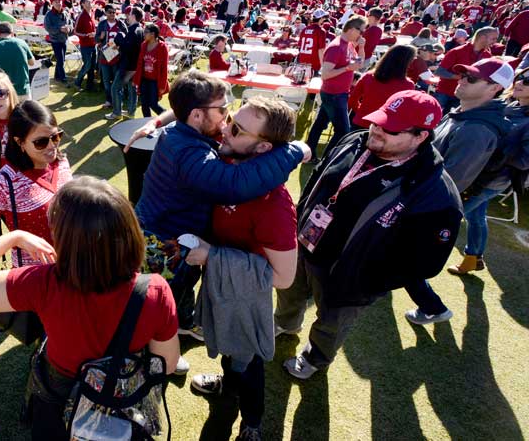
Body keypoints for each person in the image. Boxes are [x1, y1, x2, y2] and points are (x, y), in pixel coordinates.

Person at [0, 175, 179, 440]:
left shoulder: (43, 283)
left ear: (66, 239)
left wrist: (11, 237)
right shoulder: (154, 290)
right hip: (123, 408)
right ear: (129, 230)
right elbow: (167, 364)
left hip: (58, 401)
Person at [276, 90, 463, 379]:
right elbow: (318, 181)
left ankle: (316, 358)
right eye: (378, 120)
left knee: (332, 322)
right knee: (289, 292)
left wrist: (369, 280)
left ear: (420, 137)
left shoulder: (436, 193)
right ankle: (287, 323)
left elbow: (425, 262)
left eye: (389, 128)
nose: (376, 129)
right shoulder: (354, 141)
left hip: (351, 275)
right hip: (304, 245)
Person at [131, 71, 309, 373]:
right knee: (159, 301)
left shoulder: (190, 130)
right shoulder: (188, 152)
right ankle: (154, 356)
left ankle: (182, 322)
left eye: (233, 121)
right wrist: (294, 150)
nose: (226, 124)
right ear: (198, 115)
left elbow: (188, 108)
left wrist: (159, 119)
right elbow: (235, 184)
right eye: (224, 112)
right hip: (164, 243)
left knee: (182, 287)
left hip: (178, 237)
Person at [187, 98, 299, 440]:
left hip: (248, 298)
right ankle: (227, 385)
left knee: (248, 362)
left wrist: (212, 257)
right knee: (228, 347)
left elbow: (284, 277)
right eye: (230, 119)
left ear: (264, 146)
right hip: (223, 285)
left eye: (236, 129)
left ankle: (252, 422)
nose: (223, 129)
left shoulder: (274, 205)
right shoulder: (229, 165)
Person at [403, 58, 513, 324]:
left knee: (407, 258)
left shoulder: (477, 129)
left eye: (472, 79)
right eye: (464, 75)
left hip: (427, 203)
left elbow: (451, 181)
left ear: (494, 88)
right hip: (421, 195)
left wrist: (406, 201)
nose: (462, 80)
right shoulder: (462, 114)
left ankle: (433, 307)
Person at [0, 101, 72, 265]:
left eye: (56, 137)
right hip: (34, 279)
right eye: (41, 142)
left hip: (75, 268)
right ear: (20, 142)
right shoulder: (3, 184)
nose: (52, 146)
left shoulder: (61, 163)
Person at [446, 66, 529, 276]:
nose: (519, 82)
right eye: (520, 78)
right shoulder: (510, 106)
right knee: (475, 217)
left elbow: (525, 160)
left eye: (526, 81)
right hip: (480, 174)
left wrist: (498, 154)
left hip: (493, 180)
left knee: (448, 216)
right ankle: (474, 258)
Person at [305, 15, 367, 161]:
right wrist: (346, 68)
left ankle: (310, 154)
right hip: (334, 94)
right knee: (343, 131)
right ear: (352, 29)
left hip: (338, 93)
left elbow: (360, 63)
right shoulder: (336, 47)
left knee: (320, 123)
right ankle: (328, 161)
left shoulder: (349, 45)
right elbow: (325, 74)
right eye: (361, 31)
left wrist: (362, 47)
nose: (362, 35)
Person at [349, 44, 417, 129]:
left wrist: (361, 111)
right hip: (384, 127)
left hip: (361, 121)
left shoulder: (368, 76)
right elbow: (404, 111)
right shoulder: (408, 85)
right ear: (406, 62)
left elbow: (352, 100)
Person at [433, 26, 497, 113]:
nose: (495, 42)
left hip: (464, 95)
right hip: (444, 92)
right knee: (432, 117)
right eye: (493, 39)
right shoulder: (457, 51)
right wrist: (458, 77)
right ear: (482, 37)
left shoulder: (487, 56)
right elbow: (439, 71)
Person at [106, 6, 143, 120]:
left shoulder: (134, 30)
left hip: (127, 66)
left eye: (129, 14)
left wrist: (120, 39)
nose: (127, 16)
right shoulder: (139, 29)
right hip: (134, 66)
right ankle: (131, 112)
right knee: (132, 90)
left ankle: (117, 112)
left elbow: (128, 48)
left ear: (133, 16)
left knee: (115, 88)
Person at [0, 22, 36, 101]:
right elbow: (32, 62)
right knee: (26, 113)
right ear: (12, 33)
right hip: (23, 89)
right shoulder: (22, 43)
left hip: (4, 92)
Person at [132, 23, 169, 118]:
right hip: (144, 79)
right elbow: (140, 64)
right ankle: (147, 124)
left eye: (145, 32)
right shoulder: (144, 45)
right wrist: (136, 80)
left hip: (155, 81)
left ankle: (168, 118)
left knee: (153, 104)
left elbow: (164, 68)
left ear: (153, 34)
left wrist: (162, 86)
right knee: (144, 105)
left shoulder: (162, 47)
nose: (143, 34)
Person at [95, 4, 127, 109]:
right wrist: (100, 37)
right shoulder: (102, 24)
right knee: (106, 81)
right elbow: (96, 39)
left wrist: (120, 47)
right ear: (106, 13)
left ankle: (118, 101)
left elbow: (126, 39)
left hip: (117, 56)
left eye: (114, 12)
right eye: (110, 12)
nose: (112, 14)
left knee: (117, 81)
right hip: (105, 56)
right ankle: (109, 100)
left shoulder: (121, 24)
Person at [43, 0, 71, 84]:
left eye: (60, 1)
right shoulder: (49, 15)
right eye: (56, 2)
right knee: (60, 59)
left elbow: (70, 23)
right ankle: (63, 77)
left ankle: (57, 76)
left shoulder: (65, 13)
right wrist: (60, 29)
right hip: (55, 40)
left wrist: (69, 28)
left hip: (64, 39)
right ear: (52, 3)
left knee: (61, 59)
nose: (58, 3)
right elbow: (48, 27)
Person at [73, 0, 97, 91]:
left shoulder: (92, 14)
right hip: (85, 45)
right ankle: (77, 82)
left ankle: (90, 85)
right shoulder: (81, 16)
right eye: (88, 1)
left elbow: (93, 28)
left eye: (90, 1)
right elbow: (75, 31)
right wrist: (86, 35)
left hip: (93, 44)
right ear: (83, 4)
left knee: (92, 65)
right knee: (87, 65)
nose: (90, 2)